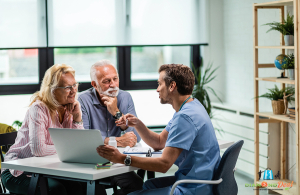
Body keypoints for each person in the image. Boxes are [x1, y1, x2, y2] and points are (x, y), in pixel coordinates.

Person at [97, 64, 221, 195]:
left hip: (195, 188)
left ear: (172, 86)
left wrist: (122, 158)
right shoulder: (191, 105)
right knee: (148, 185)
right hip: (201, 179)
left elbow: (163, 165)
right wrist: (137, 124)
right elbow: (159, 142)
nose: (157, 89)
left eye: (159, 84)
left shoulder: (184, 117)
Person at [1, 64, 84, 195]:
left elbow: (79, 144)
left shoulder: (70, 108)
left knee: (80, 186)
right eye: (68, 87)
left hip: (46, 169)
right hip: (18, 172)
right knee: (56, 190)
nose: (74, 90)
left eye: (75, 85)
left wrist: (77, 118)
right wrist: (68, 149)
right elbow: (39, 149)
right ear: (53, 90)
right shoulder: (39, 108)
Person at [78, 59, 143, 195]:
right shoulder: (82, 100)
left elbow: (135, 136)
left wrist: (116, 113)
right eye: (107, 81)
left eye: (115, 79)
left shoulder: (125, 97)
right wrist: (117, 141)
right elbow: (84, 138)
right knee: (96, 189)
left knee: (137, 185)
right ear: (94, 85)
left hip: (115, 163)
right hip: (92, 164)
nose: (113, 85)